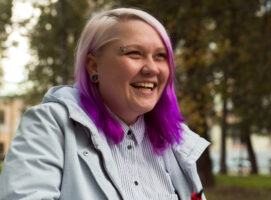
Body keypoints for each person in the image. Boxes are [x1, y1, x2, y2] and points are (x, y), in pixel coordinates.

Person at [0, 8, 209, 200]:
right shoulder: (50, 126)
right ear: (93, 67)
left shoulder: (175, 144)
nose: (152, 68)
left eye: (160, 56)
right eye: (134, 53)